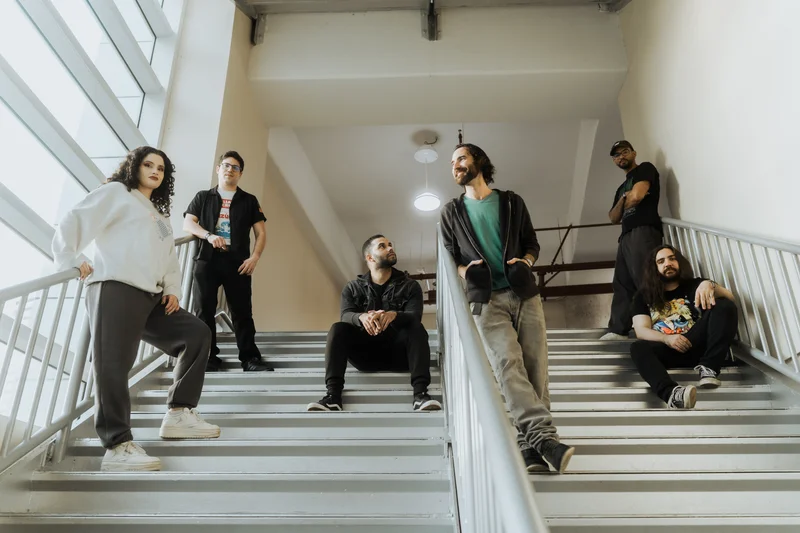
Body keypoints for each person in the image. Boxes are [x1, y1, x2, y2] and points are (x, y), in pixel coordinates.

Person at [52, 146, 220, 472]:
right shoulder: (116, 192)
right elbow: (75, 219)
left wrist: (172, 289)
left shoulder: (160, 216)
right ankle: (117, 446)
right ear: (134, 167)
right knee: (113, 363)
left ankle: (179, 413)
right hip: (115, 287)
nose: (155, 171)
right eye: (148, 164)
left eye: (161, 168)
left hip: (151, 297)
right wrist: (70, 258)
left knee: (197, 333)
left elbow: (169, 259)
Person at [440, 143, 573, 474]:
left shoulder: (511, 202)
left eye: (460, 158)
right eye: (451, 162)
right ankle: (546, 440)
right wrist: (465, 272)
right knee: (507, 364)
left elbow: (532, 244)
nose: (455, 165)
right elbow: (450, 257)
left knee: (536, 369)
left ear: (479, 161)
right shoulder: (451, 212)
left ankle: (529, 446)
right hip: (486, 300)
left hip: (523, 292)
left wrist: (526, 262)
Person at [307, 235, 441, 413]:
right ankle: (333, 397)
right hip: (365, 356)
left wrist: (394, 315)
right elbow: (346, 315)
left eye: (390, 245)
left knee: (416, 327)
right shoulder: (352, 288)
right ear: (370, 257)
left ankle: (420, 395)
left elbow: (414, 316)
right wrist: (361, 317)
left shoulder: (410, 286)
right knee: (338, 329)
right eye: (382, 246)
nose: (390, 248)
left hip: (401, 355)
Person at [183, 151, 272, 372]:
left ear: (240, 174)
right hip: (207, 259)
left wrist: (255, 257)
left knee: (242, 312)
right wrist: (209, 236)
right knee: (203, 310)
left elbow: (261, 233)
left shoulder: (249, 200)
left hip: (238, 262)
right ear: (218, 169)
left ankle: (250, 359)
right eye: (226, 165)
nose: (230, 170)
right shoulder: (203, 196)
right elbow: (189, 223)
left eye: (235, 167)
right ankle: (208, 358)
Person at [630, 245, 738, 409]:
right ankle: (673, 395)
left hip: (697, 343)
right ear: (654, 268)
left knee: (724, 304)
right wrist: (666, 338)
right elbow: (641, 330)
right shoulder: (643, 296)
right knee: (638, 347)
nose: (668, 263)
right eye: (661, 261)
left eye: (672, 258)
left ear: (679, 262)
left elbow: (731, 298)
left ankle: (709, 368)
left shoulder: (695, 285)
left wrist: (710, 285)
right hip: (669, 349)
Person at [600, 140, 664, 341]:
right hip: (626, 236)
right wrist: (622, 199)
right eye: (616, 155)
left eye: (625, 152)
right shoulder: (621, 188)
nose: (621, 157)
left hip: (643, 230)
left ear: (634, 153)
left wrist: (627, 200)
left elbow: (637, 196)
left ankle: (661, 324)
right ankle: (619, 329)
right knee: (622, 283)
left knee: (645, 278)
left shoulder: (645, 169)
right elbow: (613, 217)